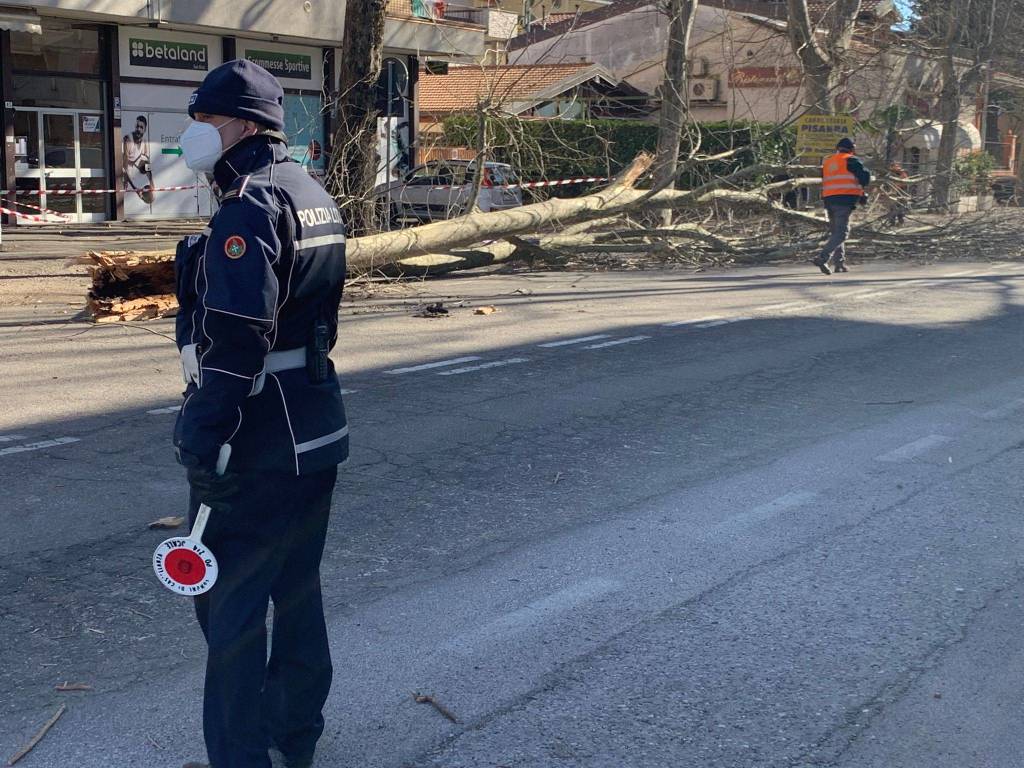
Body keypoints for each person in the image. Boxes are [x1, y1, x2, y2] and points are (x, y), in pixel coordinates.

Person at [172, 59, 348, 768]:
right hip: (315, 424)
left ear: (244, 124)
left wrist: (203, 430)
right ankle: (294, 736)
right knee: (297, 590)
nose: (196, 134)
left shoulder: (249, 204)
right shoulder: (313, 193)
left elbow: (241, 335)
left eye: (206, 120)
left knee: (232, 608)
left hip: (256, 435)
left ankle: (240, 757)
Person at [813, 137, 871, 275]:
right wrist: (861, 193)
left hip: (829, 200)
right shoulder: (851, 160)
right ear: (852, 149)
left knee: (837, 232)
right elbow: (865, 177)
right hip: (844, 200)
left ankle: (839, 263)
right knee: (842, 233)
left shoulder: (827, 162)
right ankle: (822, 257)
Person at [122, 115, 154, 204]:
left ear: (145, 129)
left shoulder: (144, 142)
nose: (138, 129)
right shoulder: (128, 139)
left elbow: (147, 163)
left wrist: (152, 182)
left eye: (141, 127)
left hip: (138, 172)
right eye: (137, 126)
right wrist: (126, 180)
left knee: (151, 199)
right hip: (128, 171)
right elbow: (125, 164)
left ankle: (144, 193)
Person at [886, 161, 910, 226]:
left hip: (901, 192)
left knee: (900, 208)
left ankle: (900, 222)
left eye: (898, 166)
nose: (898, 167)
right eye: (896, 166)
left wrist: (896, 186)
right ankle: (892, 222)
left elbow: (904, 181)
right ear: (892, 167)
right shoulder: (890, 173)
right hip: (893, 192)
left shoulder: (902, 173)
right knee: (892, 208)